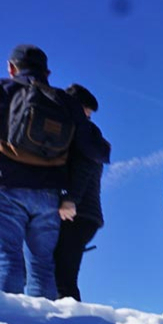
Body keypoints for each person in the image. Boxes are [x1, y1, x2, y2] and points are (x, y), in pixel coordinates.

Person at [0, 45, 98, 299]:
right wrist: (71, 197)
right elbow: (89, 154)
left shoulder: (5, 89)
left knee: (7, 255)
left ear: (11, 68)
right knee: (42, 265)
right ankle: (42, 321)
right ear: (48, 72)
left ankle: (6, 320)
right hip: (49, 196)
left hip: (7, 188)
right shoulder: (67, 103)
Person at [54, 84, 111, 301]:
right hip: (85, 214)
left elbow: (83, 167)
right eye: (86, 110)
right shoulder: (88, 132)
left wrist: (70, 199)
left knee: (63, 279)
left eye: (88, 112)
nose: (87, 115)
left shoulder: (83, 131)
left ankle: (71, 321)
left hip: (77, 213)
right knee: (61, 274)